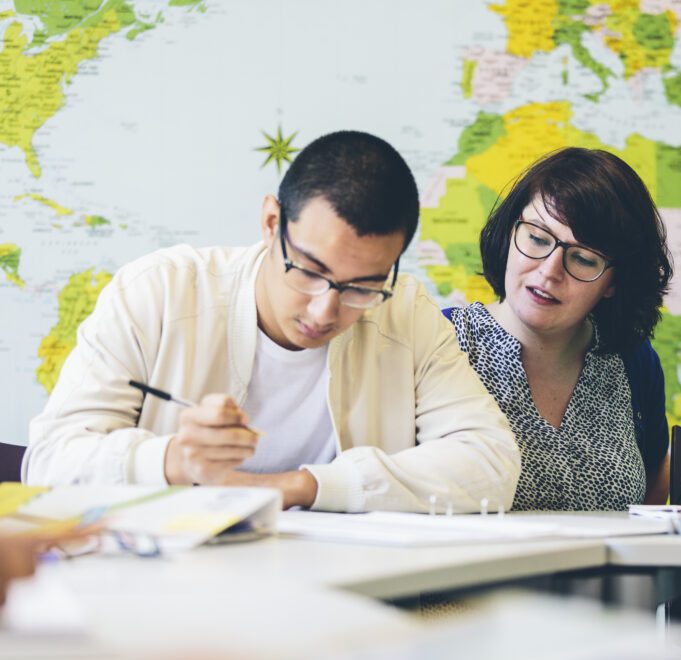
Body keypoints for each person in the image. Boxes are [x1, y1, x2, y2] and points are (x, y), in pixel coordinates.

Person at [23, 131, 520, 512]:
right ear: (270, 224)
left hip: (341, 601)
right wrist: (174, 460)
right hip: (161, 593)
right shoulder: (158, 292)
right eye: (310, 270)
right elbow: (47, 463)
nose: (326, 311)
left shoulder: (406, 313)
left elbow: (490, 463)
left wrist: (301, 487)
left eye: (362, 286)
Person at [444, 148, 672, 511]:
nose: (550, 270)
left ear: (613, 282)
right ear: (510, 231)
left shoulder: (634, 361)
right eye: (537, 238)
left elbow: (652, 498)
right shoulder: (440, 342)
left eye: (583, 258)